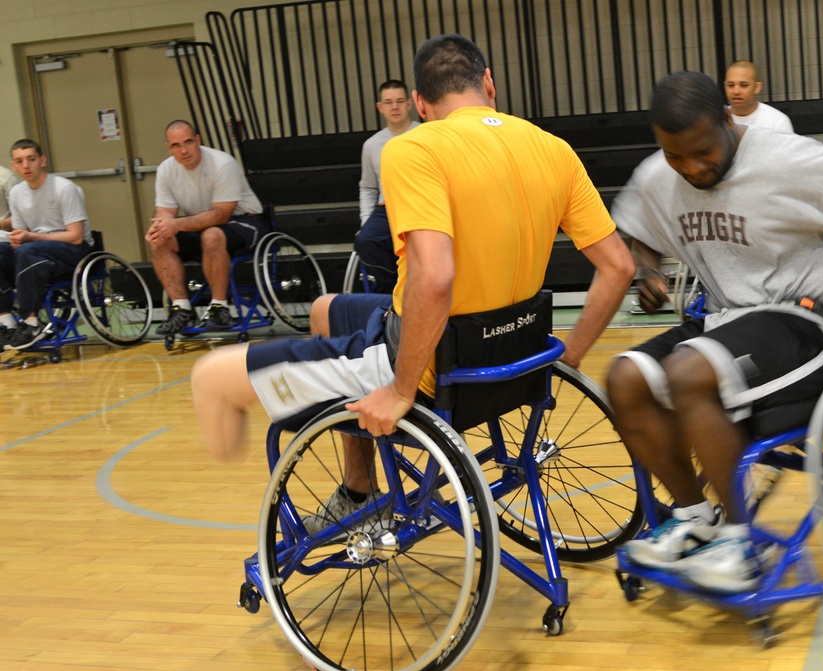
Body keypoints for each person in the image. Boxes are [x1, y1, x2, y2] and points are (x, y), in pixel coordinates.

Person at [190, 34, 634, 528]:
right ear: (488, 83)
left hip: (430, 363)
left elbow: (436, 276)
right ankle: (359, 489)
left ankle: (346, 478)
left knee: (209, 379)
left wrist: (401, 390)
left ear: (420, 104)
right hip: (515, 359)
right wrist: (567, 356)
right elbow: (619, 267)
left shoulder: (415, 149)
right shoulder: (554, 148)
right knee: (324, 309)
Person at [607, 71, 823, 593]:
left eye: (702, 151)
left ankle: (738, 544)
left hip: (809, 321)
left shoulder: (792, 160)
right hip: (726, 320)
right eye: (677, 157)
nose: (692, 168)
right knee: (625, 377)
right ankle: (695, 520)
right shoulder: (662, 172)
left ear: (729, 119)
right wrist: (646, 268)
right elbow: (639, 229)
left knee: (688, 372)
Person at [146, 120, 268, 335]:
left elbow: (222, 214)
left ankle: (219, 307)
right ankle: (182, 309)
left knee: (212, 235)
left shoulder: (222, 163)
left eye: (188, 142)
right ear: (169, 148)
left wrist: (177, 224)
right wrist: (160, 227)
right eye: (176, 146)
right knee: (160, 240)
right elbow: (165, 213)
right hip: (201, 223)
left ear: (198, 140)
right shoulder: (166, 169)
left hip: (245, 221)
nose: (184, 150)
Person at [0, 139, 93, 350]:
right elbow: (21, 236)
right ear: (13, 166)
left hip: (72, 250)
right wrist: (17, 240)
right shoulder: (16, 194)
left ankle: (31, 322)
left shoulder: (64, 188)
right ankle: (5, 321)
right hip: (35, 250)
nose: (26, 166)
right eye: (20, 161)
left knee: (27, 250)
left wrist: (30, 238)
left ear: (42, 161)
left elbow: (76, 236)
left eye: (31, 159)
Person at [354, 79, 421, 293]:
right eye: (389, 102)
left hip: (420, 205)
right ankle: (393, 290)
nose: (395, 107)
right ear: (380, 107)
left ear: (410, 104)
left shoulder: (426, 134)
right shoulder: (371, 145)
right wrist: (365, 222)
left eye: (400, 101)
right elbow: (368, 188)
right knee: (365, 241)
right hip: (388, 208)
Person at [723, 60, 794, 132]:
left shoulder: (777, 121)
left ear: (757, 88)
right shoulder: (717, 121)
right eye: (730, 85)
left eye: (744, 85)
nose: (736, 91)